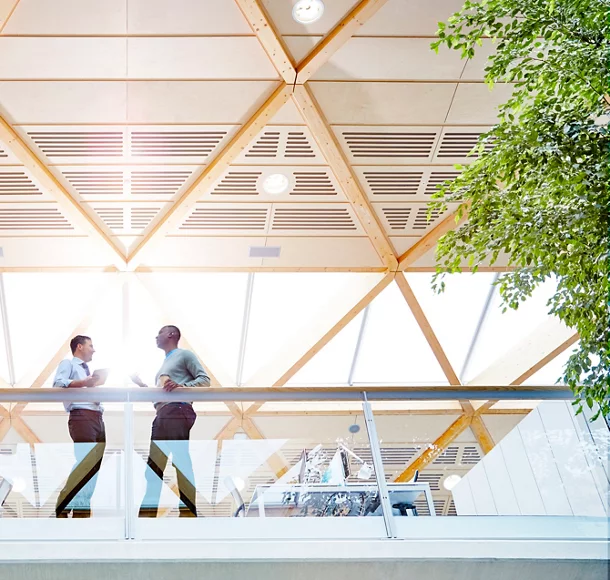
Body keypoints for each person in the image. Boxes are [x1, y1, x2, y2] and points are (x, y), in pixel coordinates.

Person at [131, 325, 210, 517]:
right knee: (154, 467)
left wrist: (183, 386)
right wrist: (142, 385)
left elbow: (205, 380)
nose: (155, 337)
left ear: (171, 335)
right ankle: (146, 516)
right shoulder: (163, 365)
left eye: (159, 333)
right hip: (162, 413)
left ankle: (188, 512)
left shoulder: (184, 355)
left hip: (177, 410)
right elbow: (163, 393)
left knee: (180, 460)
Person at [53, 335, 104, 518]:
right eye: (91, 345)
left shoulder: (88, 370)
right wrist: (84, 383)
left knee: (94, 466)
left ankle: (81, 509)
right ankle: (63, 504)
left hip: (97, 418)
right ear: (80, 346)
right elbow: (58, 383)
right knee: (85, 462)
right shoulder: (69, 364)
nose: (93, 349)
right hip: (82, 416)